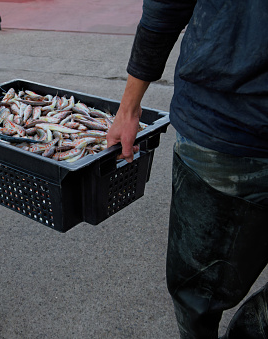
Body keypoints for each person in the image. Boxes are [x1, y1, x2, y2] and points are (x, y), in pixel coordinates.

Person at [106, 1, 268, 338]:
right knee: (197, 295)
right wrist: (128, 109)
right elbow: (165, 7)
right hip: (224, 128)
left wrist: (129, 107)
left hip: (220, 126)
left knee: (199, 296)